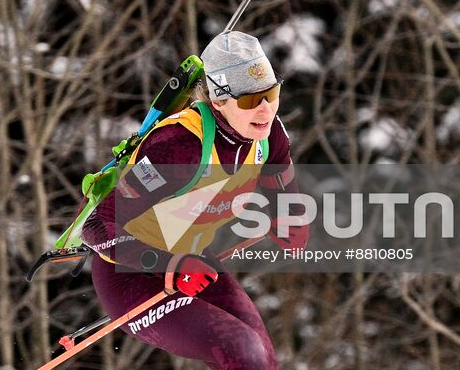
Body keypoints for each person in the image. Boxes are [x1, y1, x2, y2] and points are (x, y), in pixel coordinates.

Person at [81, 31, 309, 370]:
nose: (265, 109)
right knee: (241, 348)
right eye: (250, 100)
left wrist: (288, 216)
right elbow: (96, 224)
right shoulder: (178, 146)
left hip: (192, 262)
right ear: (218, 101)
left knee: (262, 358)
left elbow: (280, 180)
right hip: (130, 275)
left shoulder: (268, 133)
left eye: (271, 93)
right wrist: (169, 265)